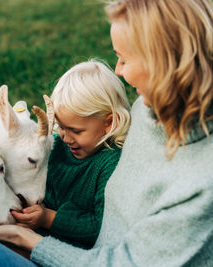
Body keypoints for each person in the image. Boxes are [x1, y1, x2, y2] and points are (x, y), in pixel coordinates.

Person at [0, 0, 213, 266]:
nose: (118, 70)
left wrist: (34, 243)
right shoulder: (152, 112)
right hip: (85, 255)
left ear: (165, 61)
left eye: (123, 58)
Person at [10, 59, 131, 249]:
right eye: (61, 127)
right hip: (32, 232)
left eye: (76, 131)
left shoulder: (111, 163)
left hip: (68, 250)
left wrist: (47, 218)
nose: (66, 138)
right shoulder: (58, 145)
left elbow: (101, 226)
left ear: (109, 123)